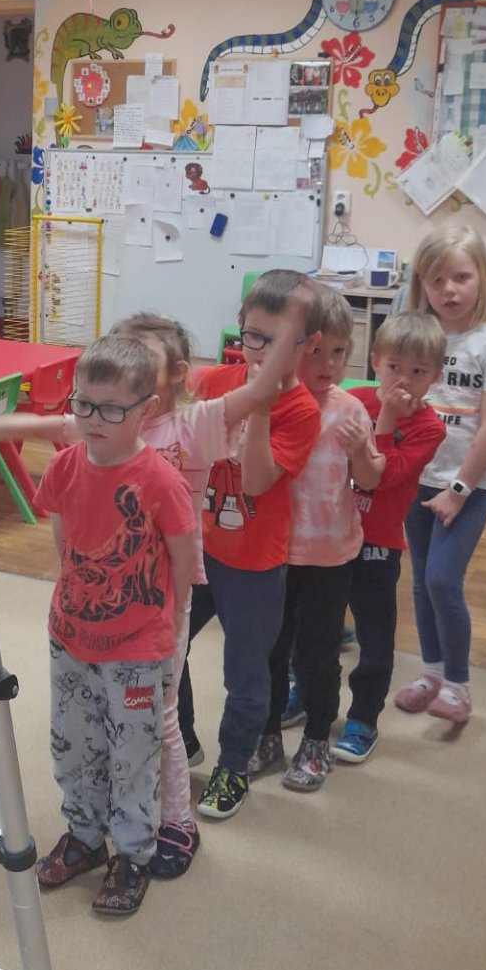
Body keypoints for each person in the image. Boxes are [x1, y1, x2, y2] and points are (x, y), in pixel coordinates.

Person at [110, 311, 291, 875]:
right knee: (127, 701)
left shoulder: (192, 423)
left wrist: (286, 334)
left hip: (176, 590)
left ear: (177, 373)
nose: (128, 368)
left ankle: (182, 815)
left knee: (163, 705)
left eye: (142, 358)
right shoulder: (116, 424)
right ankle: (143, 785)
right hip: (120, 595)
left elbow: (256, 393)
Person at [31, 334, 196, 917]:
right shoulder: (64, 466)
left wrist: (168, 632)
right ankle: (84, 835)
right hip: (71, 638)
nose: (94, 419)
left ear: (146, 409)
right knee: (73, 744)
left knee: (133, 756)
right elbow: (63, 540)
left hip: (137, 651)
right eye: (83, 404)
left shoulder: (161, 481)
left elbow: (183, 561)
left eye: (111, 409)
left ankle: (132, 854)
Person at [188, 273, 322, 822]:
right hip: (195, 550)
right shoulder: (214, 380)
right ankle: (181, 740)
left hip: (253, 565)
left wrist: (260, 405)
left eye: (276, 341)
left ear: (308, 345)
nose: (259, 351)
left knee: (245, 674)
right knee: (162, 647)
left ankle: (234, 766)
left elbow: (256, 481)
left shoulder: (301, 411)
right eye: (251, 336)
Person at [247, 287, 377, 793]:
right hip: (274, 553)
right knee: (270, 651)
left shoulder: (351, 410)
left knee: (320, 655)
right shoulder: (273, 403)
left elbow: (369, 480)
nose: (328, 364)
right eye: (316, 352)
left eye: (339, 352)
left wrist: (362, 453)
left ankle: (318, 738)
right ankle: (267, 736)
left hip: (330, 557)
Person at [394, 223, 486, 728]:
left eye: (461, 278)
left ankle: (458, 684)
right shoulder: (419, 339)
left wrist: (459, 489)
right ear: (421, 285)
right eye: (436, 280)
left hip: (466, 486)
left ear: (483, 279)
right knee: (421, 583)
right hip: (417, 478)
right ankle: (430, 674)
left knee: (443, 581)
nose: (449, 290)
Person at [331, 312, 447, 764]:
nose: (404, 379)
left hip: (379, 544)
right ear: (375, 361)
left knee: (375, 640)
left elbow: (379, 477)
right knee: (315, 629)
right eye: (394, 366)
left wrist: (387, 419)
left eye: (418, 371)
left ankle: (363, 718)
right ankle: (307, 692)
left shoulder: (430, 427)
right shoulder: (352, 399)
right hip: (332, 536)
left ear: (434, 376)